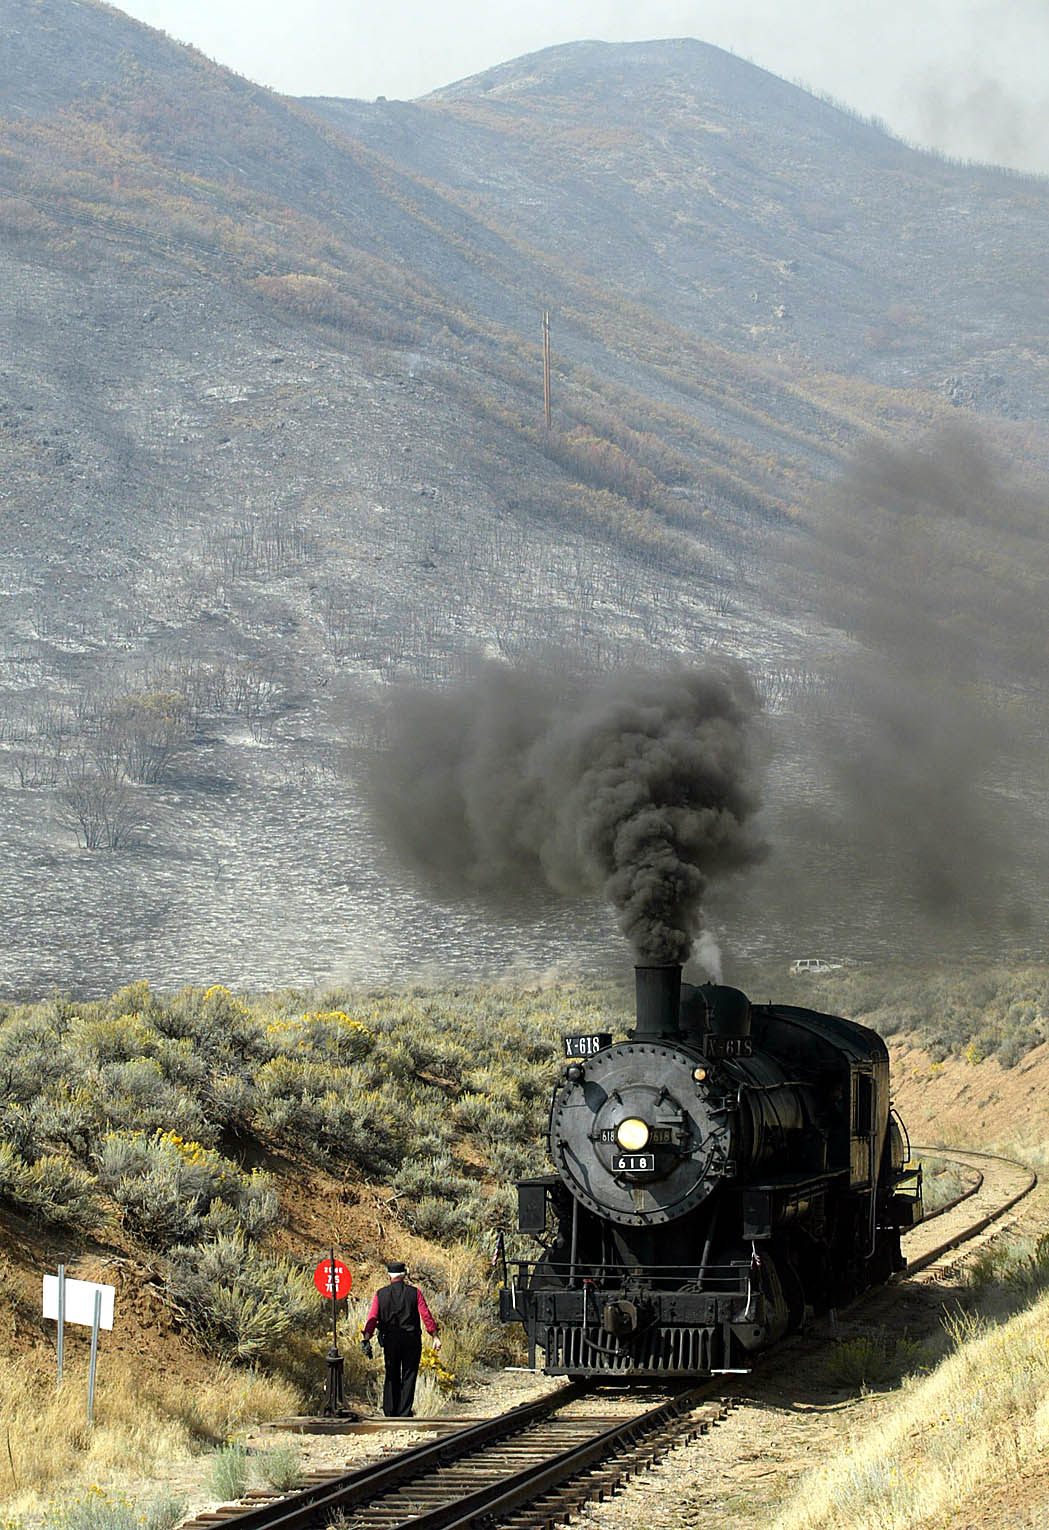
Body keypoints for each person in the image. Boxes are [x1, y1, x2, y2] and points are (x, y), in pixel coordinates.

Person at [361, 1260, 441, 1417]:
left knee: (392, 1373)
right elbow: (426, 1315)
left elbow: (372, 1317)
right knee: (409, 1375)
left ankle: (390, 1411)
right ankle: (404, 1412)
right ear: (404, 1275)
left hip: (390, 1340)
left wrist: (366, 1337)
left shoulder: (380, 1294)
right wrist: (435, 1336)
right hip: (411, 1340)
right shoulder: (414, 1293)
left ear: (389, 1276)